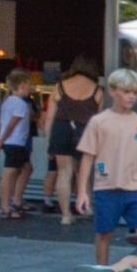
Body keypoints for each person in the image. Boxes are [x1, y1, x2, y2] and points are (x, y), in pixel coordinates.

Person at [74, 68, 137, 265]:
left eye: (135, 92)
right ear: (113, 91)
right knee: (104, 233)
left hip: (135, 187)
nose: (132, 97)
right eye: (126, 92)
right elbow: (87, 157)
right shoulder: (99, 122)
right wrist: (82, 192)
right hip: (106, 187)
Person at [43, 55, 104, 226]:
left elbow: (49, 118)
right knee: (84, 172)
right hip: (86, 132)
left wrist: (48, 141)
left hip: (61, 130)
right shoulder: (97, 90)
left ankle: (66, 215)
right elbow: (100, 120)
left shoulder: (59, 87)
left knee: (64, 172)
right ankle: (86, 207)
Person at [0, 69, 35, 219]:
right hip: (15, 142)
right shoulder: (21, 105)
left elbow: (0, 123)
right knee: (9, 173)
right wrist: (0, 142)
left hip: (11, 142)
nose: (31, 88)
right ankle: (6, 207)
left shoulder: (7, 102)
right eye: (29, 85)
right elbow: (11, 125)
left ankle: (14, 201)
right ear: (22, 85)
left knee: (26, 168)